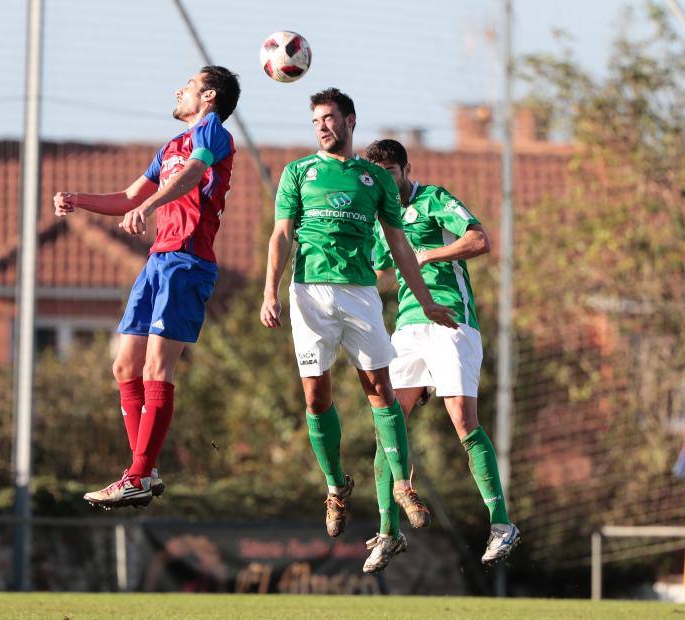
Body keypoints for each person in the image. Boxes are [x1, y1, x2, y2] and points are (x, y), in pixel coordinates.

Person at [260, 88, 459, 543]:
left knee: (380, 389)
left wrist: (427, 300)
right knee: (315, 397)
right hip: (309, 292)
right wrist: (269, 291)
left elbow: (400, 244)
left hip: (361, 292)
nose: (322, 126)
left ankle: (405, 487)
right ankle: (335, 488)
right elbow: (280, 235)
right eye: (316, 121)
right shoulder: (298, 172)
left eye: (329, 118)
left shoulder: (375, 179)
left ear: (351, 120)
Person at [52, 66, 240, 509]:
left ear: (208, 96)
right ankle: (145, 471)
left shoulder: (212, 133)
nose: (179, 90)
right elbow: (128, 197)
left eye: (189, 85)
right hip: (157, 261)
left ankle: (136, 475)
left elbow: (194, 175)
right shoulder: (169, 146)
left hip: (187, 261)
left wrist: (152, 206)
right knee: (124, 367)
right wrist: (80, 201)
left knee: (158, 366)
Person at [361, 138, 520, 573]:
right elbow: (381, 270)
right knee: (386, 425)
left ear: (405, 169)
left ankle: (502, 524)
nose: (385, 183)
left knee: (463, 422)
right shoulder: (381, 220)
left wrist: (429, 253)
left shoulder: (434, 199)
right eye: (376, 177)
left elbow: (480, 239)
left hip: (452, 321)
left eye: (390, 173)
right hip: (409, 328)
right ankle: (388, 533)